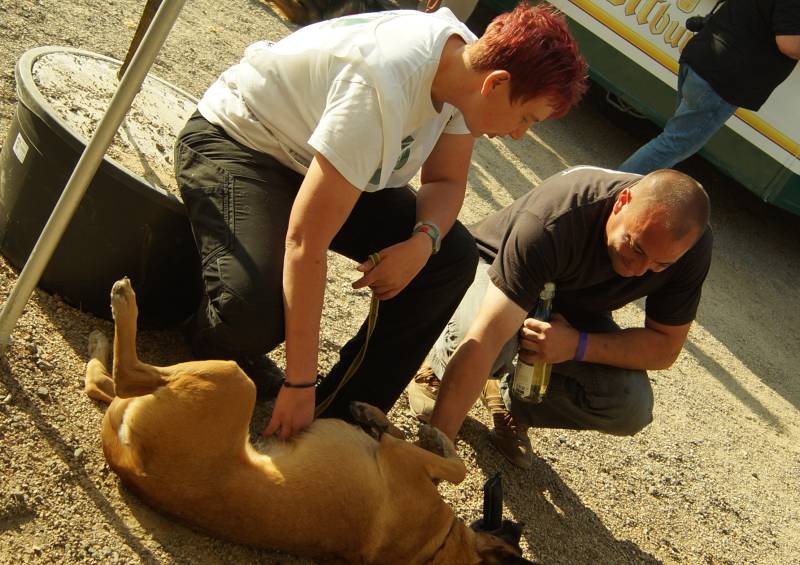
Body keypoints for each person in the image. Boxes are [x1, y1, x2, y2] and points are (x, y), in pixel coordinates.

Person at [174, 4, 588, 439]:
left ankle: (341, 424)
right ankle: (198, 312)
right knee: (254, 315)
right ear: (497, 83)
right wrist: (299, 383)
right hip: (245, 146)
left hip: (329, 165)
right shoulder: (383, 86)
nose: (521, 134)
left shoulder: (465, 72)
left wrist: (422, 242)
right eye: (526, 117)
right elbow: (305, 243)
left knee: (450, 257)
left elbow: (446, 181)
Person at [407, 167, 712, 469]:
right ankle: (439, 371)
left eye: (660, 265)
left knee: (630, 404)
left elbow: (665, 347)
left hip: (568, 313)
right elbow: (486, 336)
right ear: (622, 203)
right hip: (496, 275)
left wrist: (576, 345)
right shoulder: (555, 219)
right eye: (635, 247)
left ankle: (512, 403)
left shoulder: (689, 247)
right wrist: (435, 454)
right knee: (494, 340)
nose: (639, 269)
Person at [618, 0, 800, 175]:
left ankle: (618, 189)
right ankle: (611, 190)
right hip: (723, 78)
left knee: (672, 141)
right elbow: (790, 45)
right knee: (673, 145)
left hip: (704, 60)